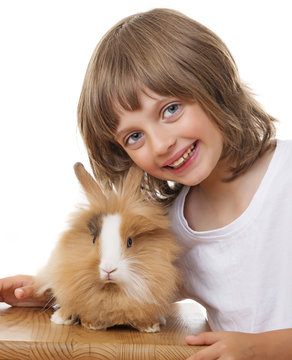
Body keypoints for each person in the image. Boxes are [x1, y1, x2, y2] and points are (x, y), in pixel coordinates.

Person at [1, 8, 292, 359]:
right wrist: (51, 291)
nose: (160, 144)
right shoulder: (171, 231)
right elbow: (128, 291)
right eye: (135, 136)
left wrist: (265, 347)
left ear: (212, 84)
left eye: (170, 109)